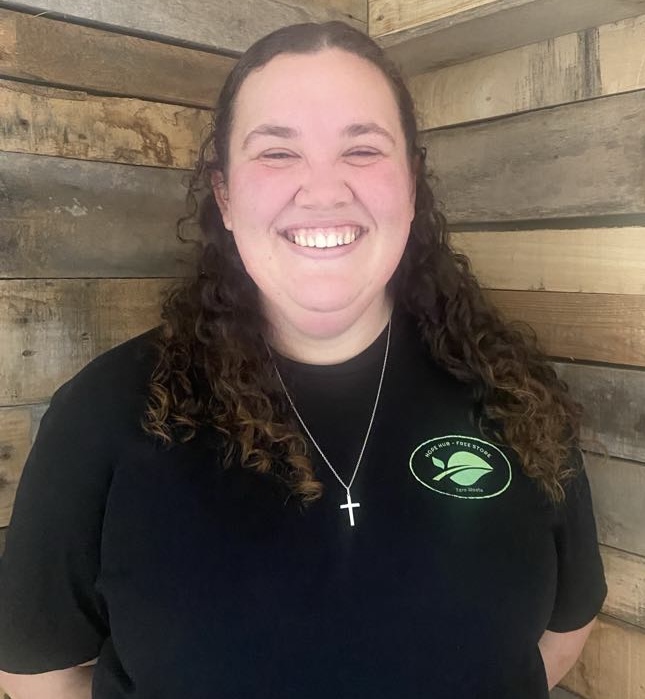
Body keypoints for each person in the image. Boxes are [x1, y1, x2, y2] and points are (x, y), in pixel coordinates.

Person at [0, 20, 606, 699]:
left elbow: (563, 627)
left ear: (411, 185)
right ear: (225, 197)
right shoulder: (105, 414)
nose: (323, 190)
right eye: (277, 152)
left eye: (362, 149)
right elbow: (37, 672)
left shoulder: (513, 394)